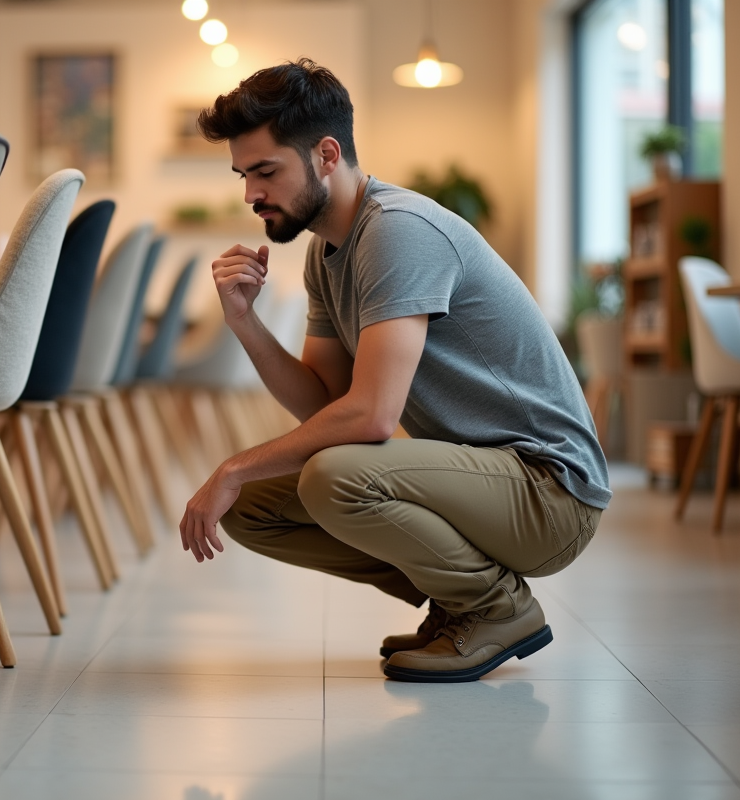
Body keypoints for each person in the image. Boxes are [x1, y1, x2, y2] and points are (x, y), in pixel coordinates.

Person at [177, 58, 609, 683]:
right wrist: (244, 322)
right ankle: (462, 598)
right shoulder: (327, 255)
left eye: (265, 171)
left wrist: (233, 464)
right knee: (251, 507)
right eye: (244, 175)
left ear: (327, 154)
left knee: (331, 477)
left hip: (550, 493)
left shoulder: (398, 232)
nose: (250, 195)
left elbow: (373, 416)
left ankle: (493, 607)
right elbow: (324, 402)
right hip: (490, 481)